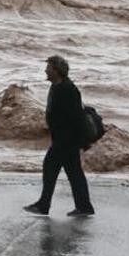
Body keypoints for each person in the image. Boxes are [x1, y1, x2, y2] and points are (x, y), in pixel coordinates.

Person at [24, 55, 95, 217]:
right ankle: (84, 207)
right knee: (74, 172)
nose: (45, 70)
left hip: (66, 141)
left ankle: (44, 205)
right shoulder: (56, 86)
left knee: (50, 167)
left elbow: (77, 118)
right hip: (62, 139)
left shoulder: (68, 89)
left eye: (48, 68)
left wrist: (81, 142)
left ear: (57, 70)